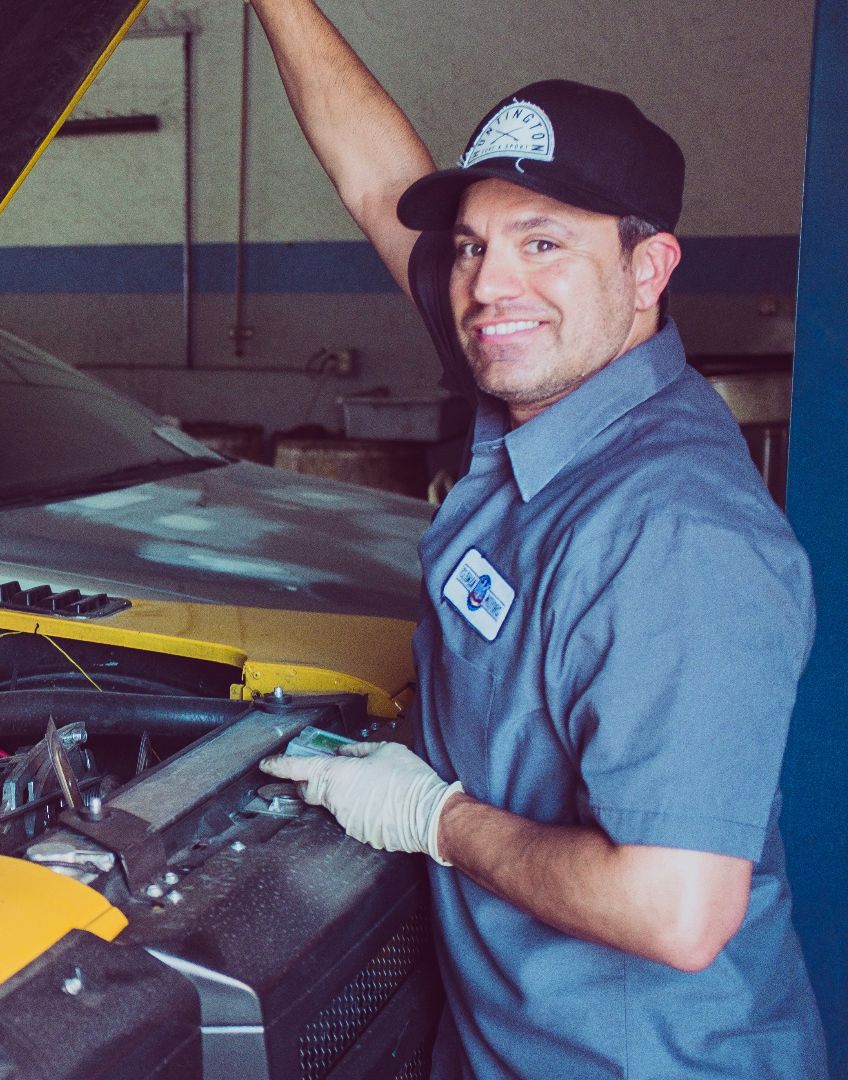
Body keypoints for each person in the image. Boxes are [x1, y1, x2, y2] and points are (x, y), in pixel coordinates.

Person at [244, 2, 829, 1077]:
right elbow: (378, 184)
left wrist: (433, 817)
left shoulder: (675, 536)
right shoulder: (551, 386)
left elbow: (677, 910)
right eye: (473, 245)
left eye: (544, 242)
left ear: (648, 269)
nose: (487, 286)